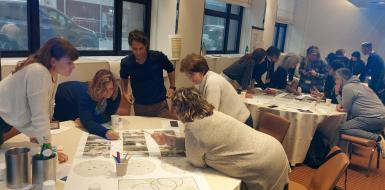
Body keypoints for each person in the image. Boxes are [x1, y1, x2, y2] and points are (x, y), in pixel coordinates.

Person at [151, 87, 290, 190]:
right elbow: (201, 144)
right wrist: (170, 140)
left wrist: (174, 142)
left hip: (263, 166)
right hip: (275, 150)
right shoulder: (212, 113)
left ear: (179, 110)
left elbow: (196, 161)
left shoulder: (193, 128)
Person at [0, 37, 78, 163]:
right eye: (69, 63)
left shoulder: (53, 74)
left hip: (6, 122)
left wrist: (40, 138)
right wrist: (48, 149)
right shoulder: (38, 72)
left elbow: (47, 106)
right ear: (53, 61)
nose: (73, 67)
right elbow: (39, 116)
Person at [180, 54, 253, 127]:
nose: (189, 78)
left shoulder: (212, 82)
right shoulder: (199, 81)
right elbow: (198, 106)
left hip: (242, 122)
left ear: (202, 71)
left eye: (191, 74)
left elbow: (211, 113)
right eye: (187, 75)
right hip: (232, 122)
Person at [120, 30, 176, 118]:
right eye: (135, 49)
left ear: (146, 45)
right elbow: (123, 77)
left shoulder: (158, 57)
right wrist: (125, 92)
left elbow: (170, 68)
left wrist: (172, 87)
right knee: (143, 131)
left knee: (165, 131)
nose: (138, 52)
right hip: (140, 106)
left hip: (160, 105)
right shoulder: (126, 62)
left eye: (141, 48)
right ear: (131, 47)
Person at [53, 69, 120, 140]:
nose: (108, 93)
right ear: (97, 88)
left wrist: (86, 120)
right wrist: (105, 132)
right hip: (63, 104)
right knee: (71, 132)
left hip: (75, 101)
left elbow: (109, 115)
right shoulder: (86, 93)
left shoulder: (115, 93)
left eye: (111, 89)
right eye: (104, 89)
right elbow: (88, 121)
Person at [335, 68, 385, 157]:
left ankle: (377, 138)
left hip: (370, 118)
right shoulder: (362, 85)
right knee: (350, 125)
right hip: (381, 118)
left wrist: (337, 94)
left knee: (342, 128)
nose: (335, 81)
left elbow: (345, 108)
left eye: (336, 79)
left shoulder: (347, 87)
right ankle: (377, 133)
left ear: (341, 79)